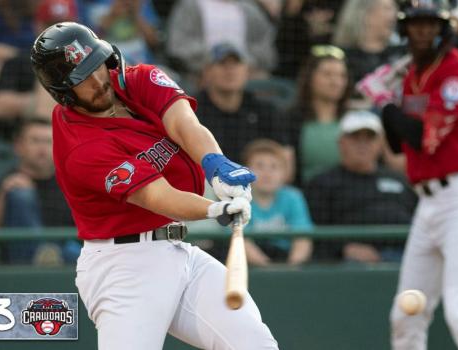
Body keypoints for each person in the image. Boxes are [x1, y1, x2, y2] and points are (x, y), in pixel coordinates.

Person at [31, 22, 277, 349]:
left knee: (253, 342)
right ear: (63, 92)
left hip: (177, 249)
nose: (98, 81)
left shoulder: (138, 78)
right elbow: (157, 196)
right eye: (82, 79)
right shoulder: (81, 147)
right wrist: (214, 208)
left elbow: (183, 123)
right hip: (123, 267)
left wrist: (216, 166)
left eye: (97, 66)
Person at [359, 1, 458, 347]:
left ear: (445, 29)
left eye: (431, 25)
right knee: (406, 313)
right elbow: (401, 147)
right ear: (404, 32)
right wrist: (388, 104)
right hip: (428, 204)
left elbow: (424, 139)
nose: (423, 33)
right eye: (416, 26)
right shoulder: (413, 76)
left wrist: (384, 103)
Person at [304, 110, 416, 263]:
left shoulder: (399, 180)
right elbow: (313, 234)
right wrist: (343, 248)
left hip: (406, 254)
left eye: (369, 138)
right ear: (341, 142)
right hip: (350, 264)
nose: (362, 145)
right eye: (355, 138)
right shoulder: (322, 183)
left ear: (380, 144)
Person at [0, 118, 78, 264]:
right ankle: (40, 253)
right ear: (18, 146)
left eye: (49, 141)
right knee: (20, 195)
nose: (42, 149)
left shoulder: (71, 185)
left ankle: (45, 254)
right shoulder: (1, 183)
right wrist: (4, 193)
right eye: (35, 141)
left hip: (64, 256)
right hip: (19, 262)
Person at [195, 42, 291, 164]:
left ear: (248, 71)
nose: (230, 71)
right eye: (222, 63)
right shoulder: (191, 111)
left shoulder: (265, 111)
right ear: (206, 72)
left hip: (256, 181)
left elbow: (286, 161)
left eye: (236, 63)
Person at [285, 44, 350, 185]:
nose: (336, 82)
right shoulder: (289, 119)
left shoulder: (353, 118)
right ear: (309, 78)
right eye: (327, 74)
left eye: (341, 75)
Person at [242, 138, 313, 266]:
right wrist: (267, 267)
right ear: (246, 171)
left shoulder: (293, 197)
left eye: (274, 167)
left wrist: (291, 267)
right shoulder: (238, 199)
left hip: (286, 259)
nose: (267, 173)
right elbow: (241, 240)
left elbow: (303, 238)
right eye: (259, 166)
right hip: (250, 266)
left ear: (285, 173)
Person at [166, 0, 275, 81]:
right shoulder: (190, 5)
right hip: (199, 73)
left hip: (247, 73)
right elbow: (177, 46)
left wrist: (243, 64)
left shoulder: (250, 9)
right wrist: (209, 64)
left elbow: (267, 51)